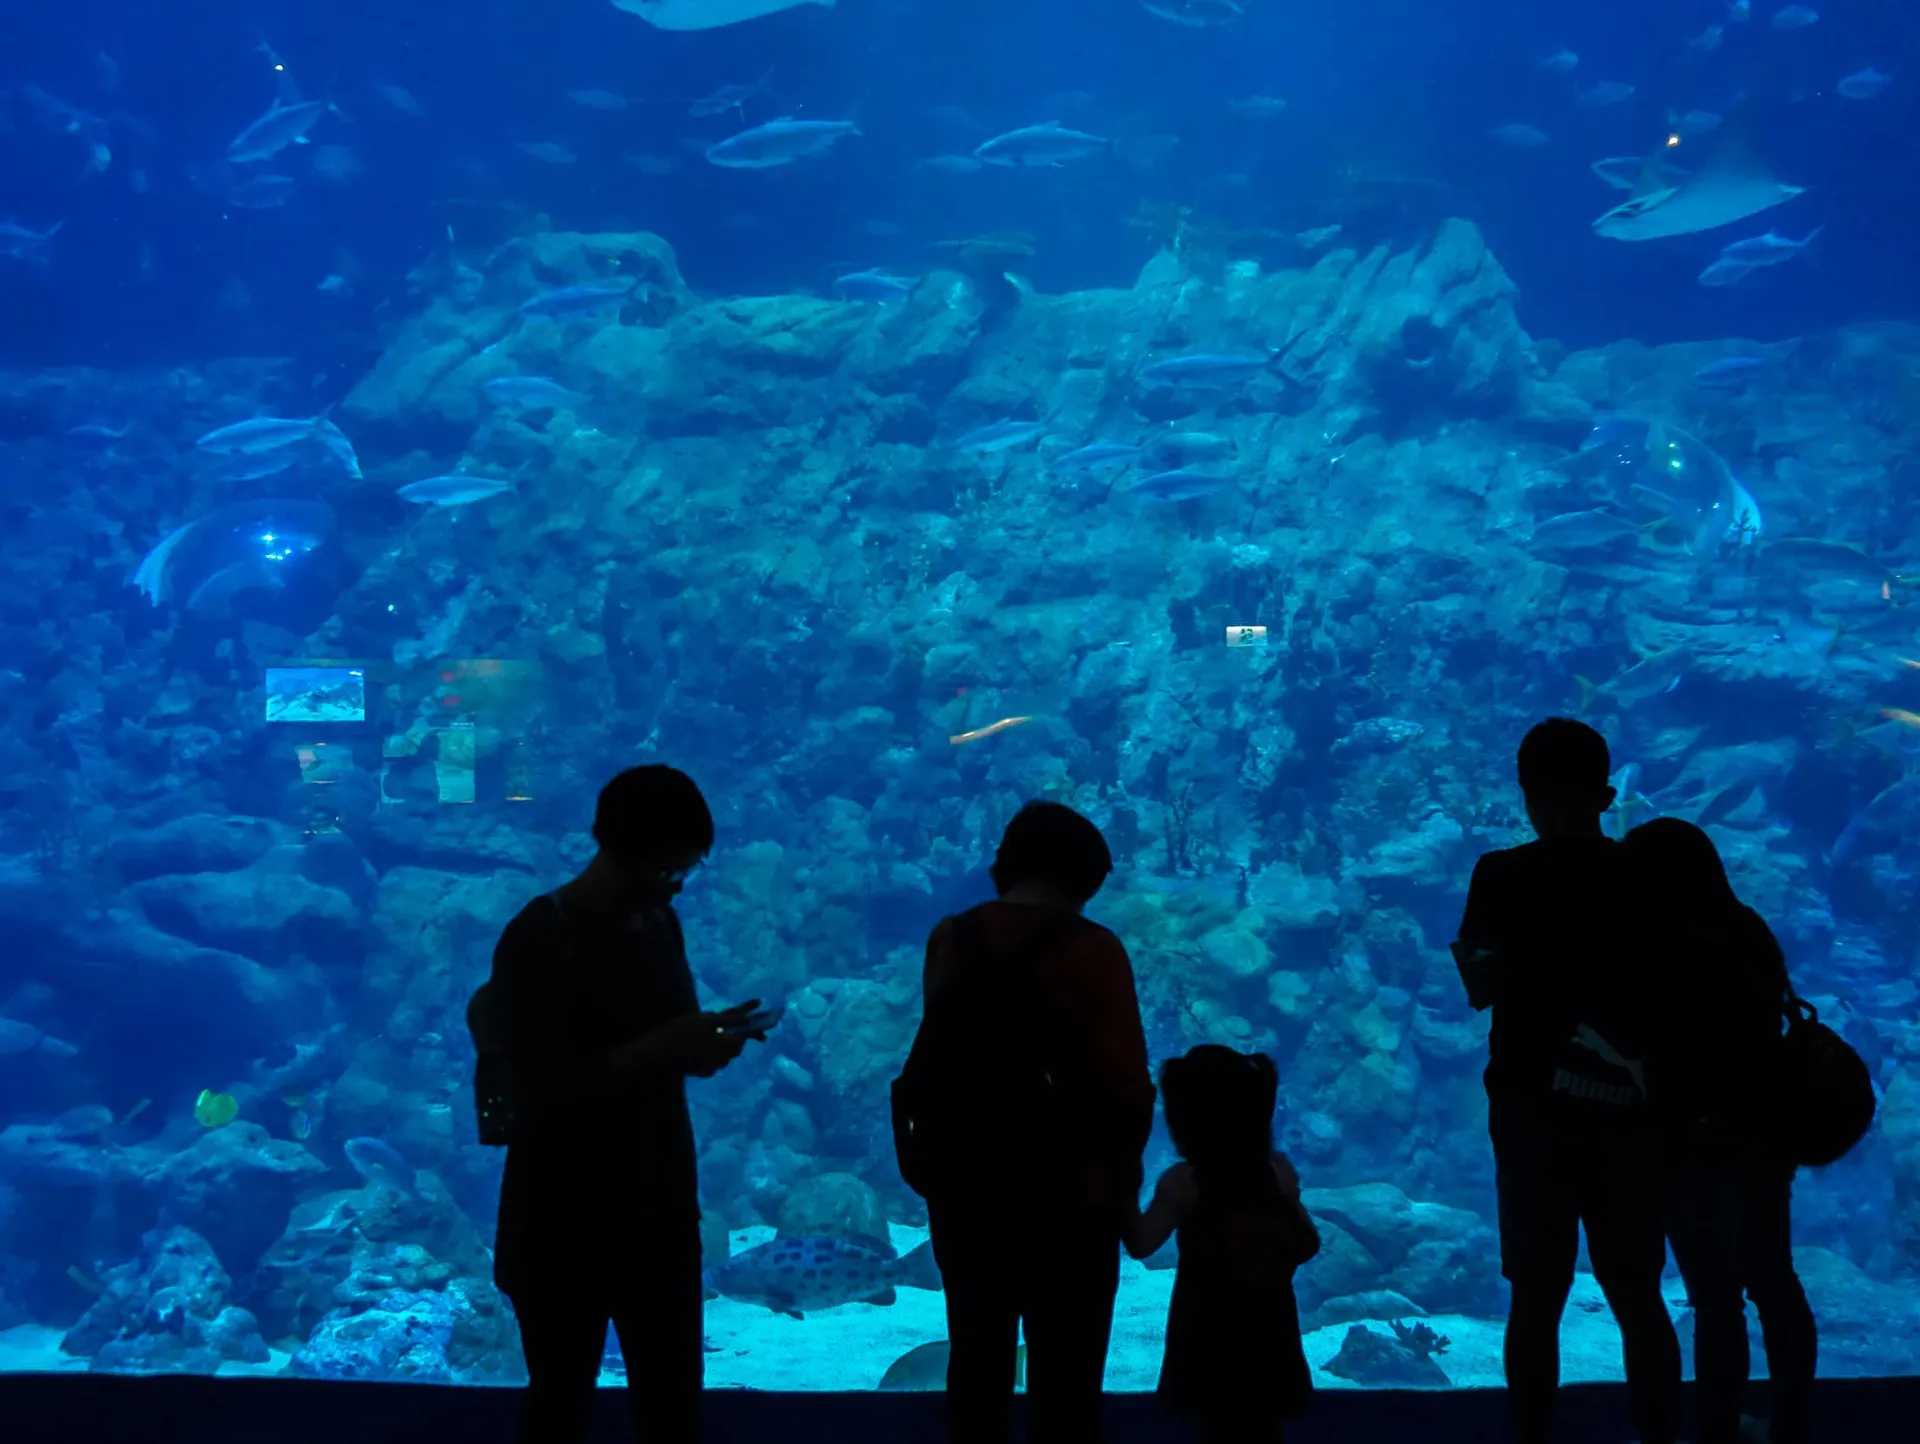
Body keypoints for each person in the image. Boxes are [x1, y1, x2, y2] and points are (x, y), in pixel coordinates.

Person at [481, 764, 765, 1444]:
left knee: (673, 1414)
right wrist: (666, 1043)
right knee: (558, 1408)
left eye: (685, 871)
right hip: (559, 1219)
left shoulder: (660, 925)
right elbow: (542, 1086)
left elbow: (670, 1045)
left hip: (659, 1213)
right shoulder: (541, 935)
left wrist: (706, 1044)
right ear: (622, 849)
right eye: (669, 869)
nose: (675, 885)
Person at [893, 800, 1156, 1444]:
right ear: (1088, 878)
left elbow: (948, 1062)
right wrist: (1124, 1195)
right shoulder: (1095, 950)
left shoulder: (950, 938)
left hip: (966, 1192)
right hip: (1073, 1196)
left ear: (1005, 864)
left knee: (977, 1365)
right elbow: (1125, 1087)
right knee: (1066, 1384)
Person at [1453, 718, 1680, 1444]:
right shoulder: (1642, 874)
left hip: (1530, 1116)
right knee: (1638, 1293)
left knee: (1538, 1295)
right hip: (1628, 1116)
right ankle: (1658, 1435)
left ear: (1526, 794)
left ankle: (1534, 1439)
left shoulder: (1500, 874)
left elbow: (1479, 986)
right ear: (1607, 795)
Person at [1625, 817, 1814, 1444]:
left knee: (1716, 1298)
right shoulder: (1747, 928)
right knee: (1774, 1281)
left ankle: (1715, 1431)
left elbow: (1662, 1046)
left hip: (1692, 1141)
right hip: (1763, 1133)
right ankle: (1789, 1422)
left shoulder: (1664, 945)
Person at [1123, 1046, 1319, 1444]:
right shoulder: (1278, 1172)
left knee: (1212, 1429)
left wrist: (1123, 1185)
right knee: (1266, 1430)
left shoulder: (1183, 1183)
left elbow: (1141, 1243)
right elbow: (1308, 1244)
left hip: (1205, 1337)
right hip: (1269, 1336)